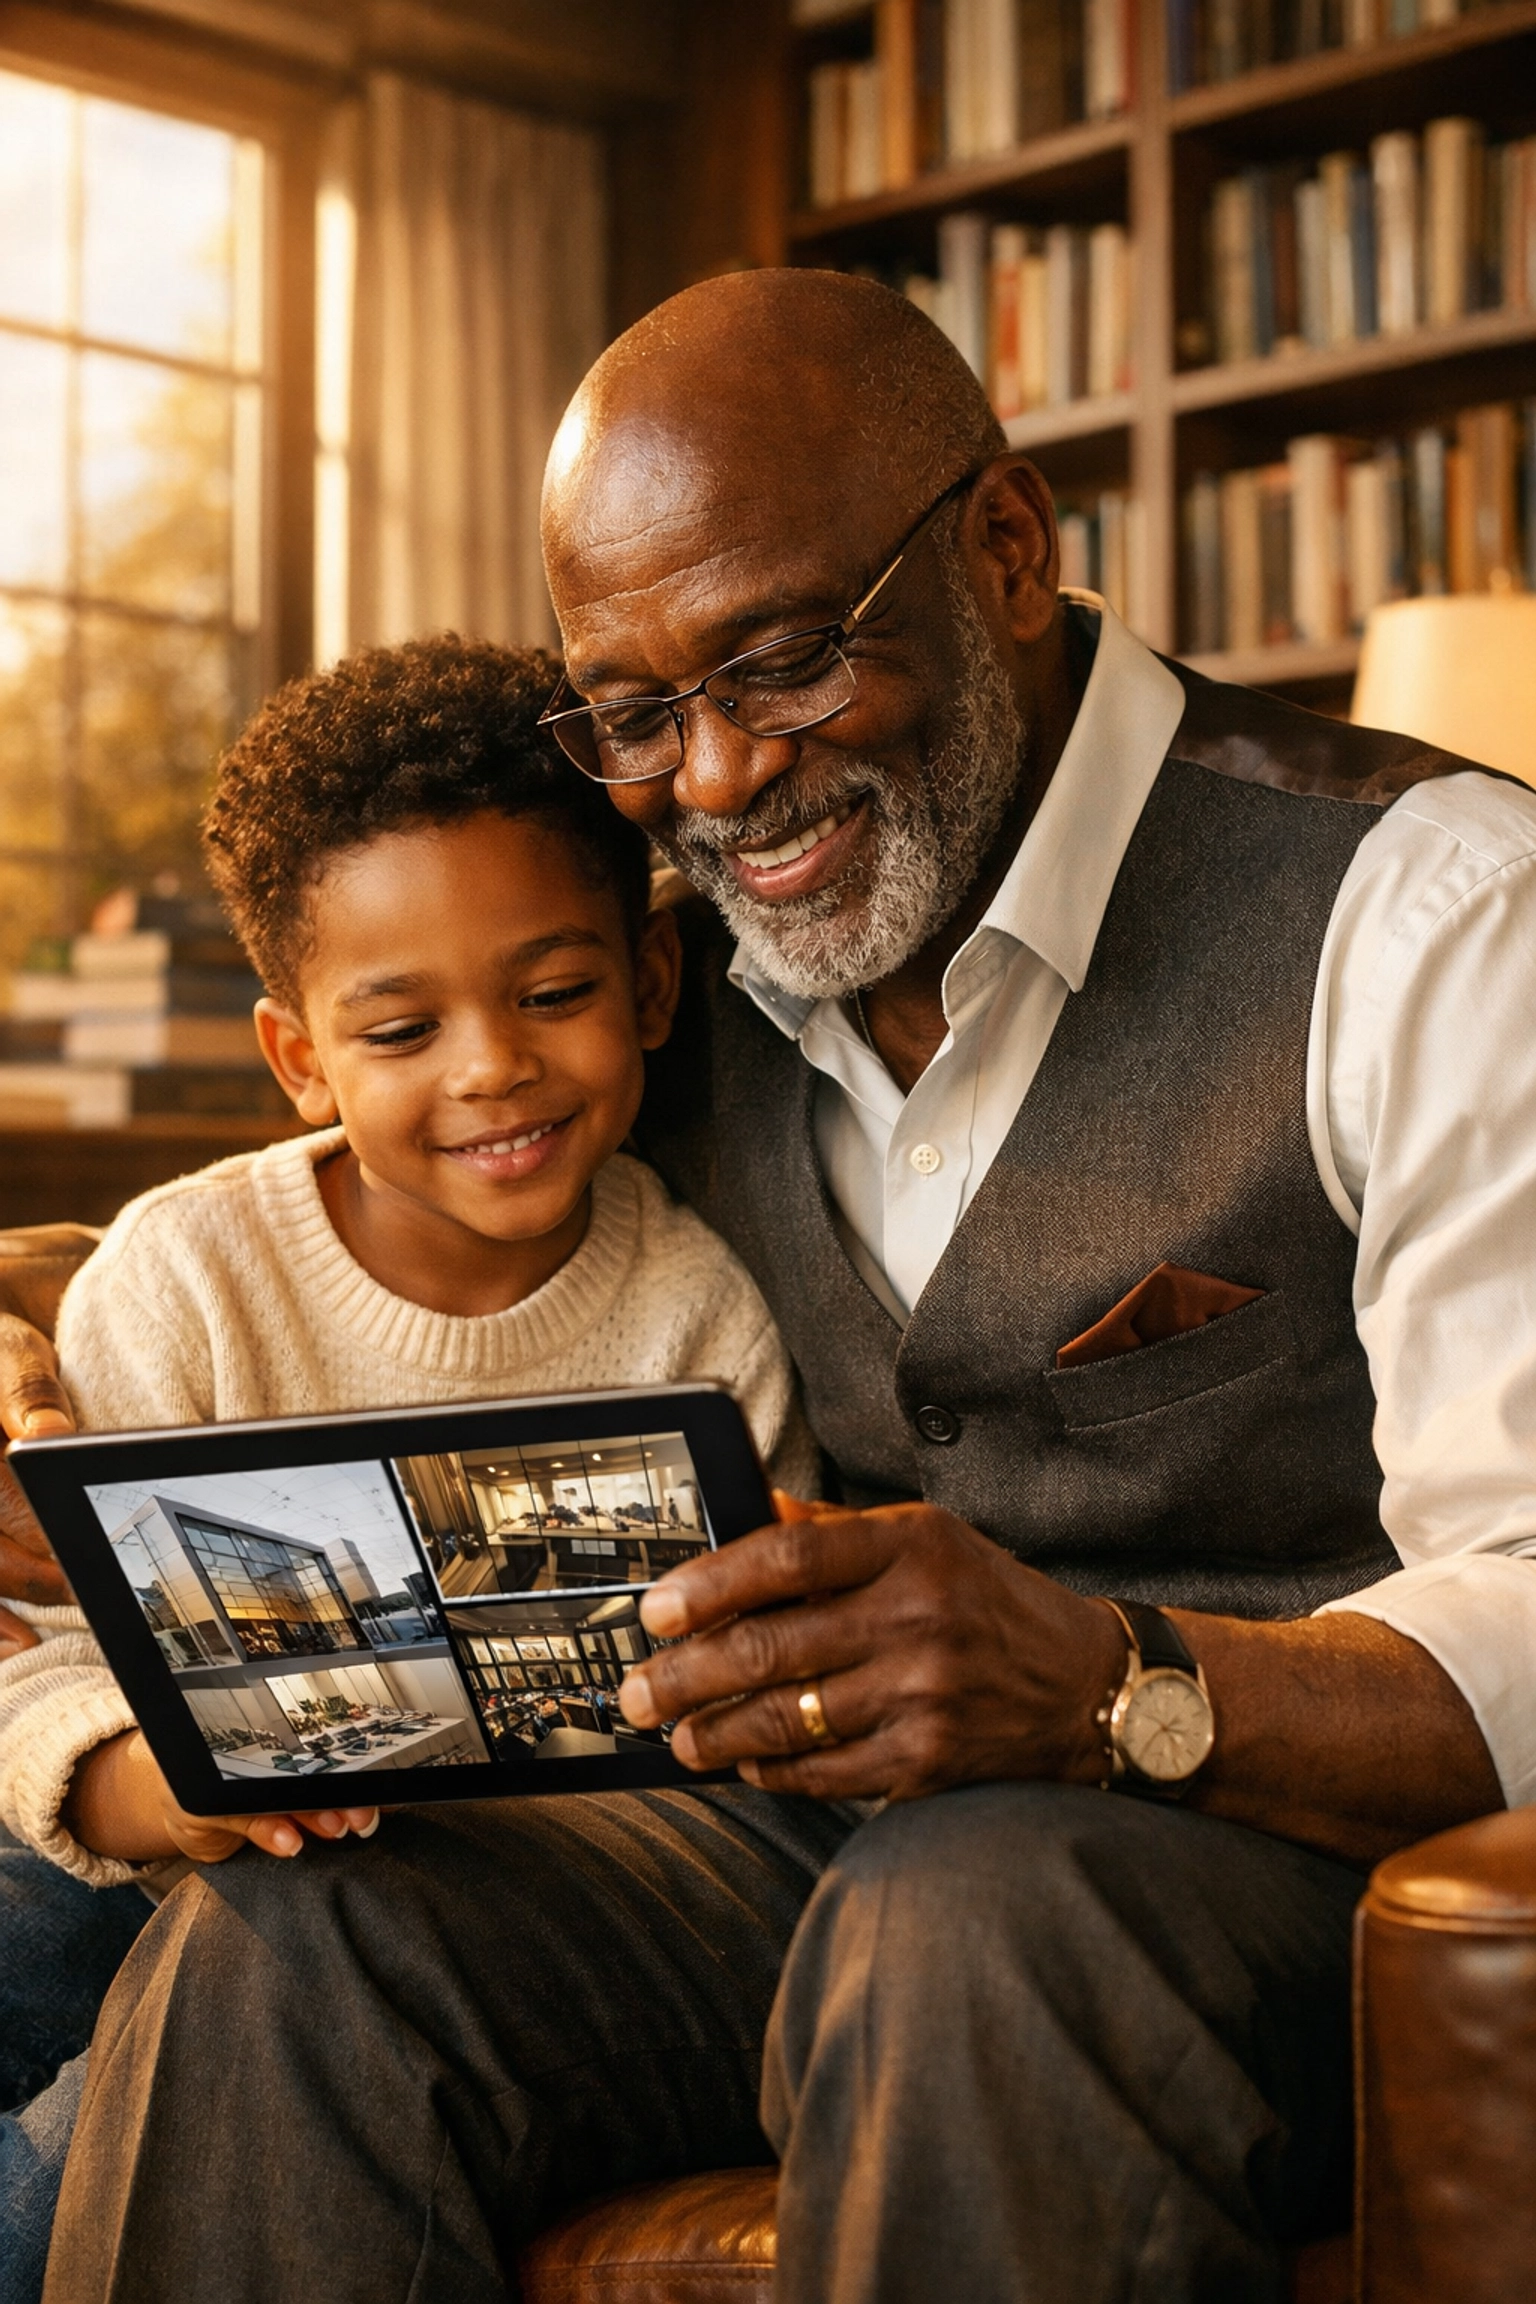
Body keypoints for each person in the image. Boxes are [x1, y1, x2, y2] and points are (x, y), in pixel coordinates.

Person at [16, 269, 1536, 2301]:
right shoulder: (674, 981)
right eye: (638, 713)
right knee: (305, 1938)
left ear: (1006, 546)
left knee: (974, 1916)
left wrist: (1107, 1683)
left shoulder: (1428, 919)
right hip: (796, 1840)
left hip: (1244, 1858)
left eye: (789, 659)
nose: (718, 779)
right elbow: (393, 1178)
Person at [0, 631, 817, 2298]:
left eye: (555, 993)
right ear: (300, 1056)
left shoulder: (696, 1312)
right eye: (399, 1030)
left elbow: (741, 1693)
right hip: (156, 1841)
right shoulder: (183, 1277)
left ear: (650, 983)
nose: (491, 1069)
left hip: (487, 1889)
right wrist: (169, 1798)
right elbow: (46, 1668)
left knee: (82, 2148)